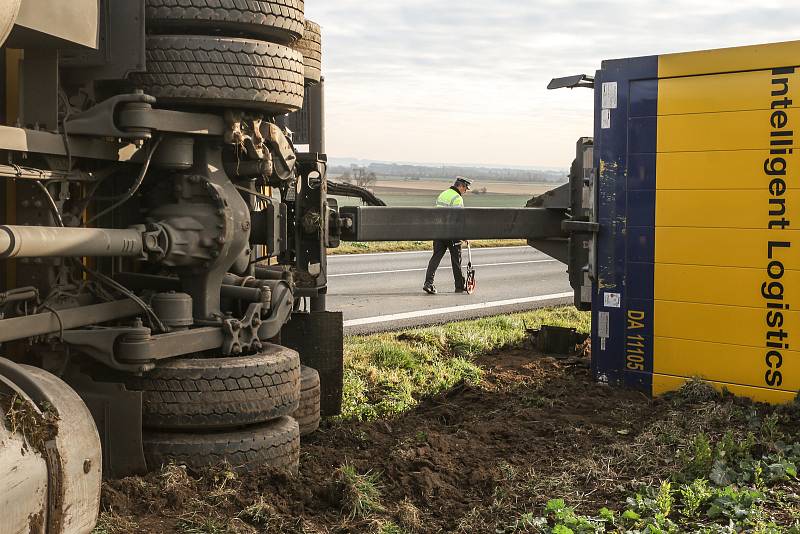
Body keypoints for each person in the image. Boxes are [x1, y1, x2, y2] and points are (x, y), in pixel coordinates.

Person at [423, 177, 472, 294]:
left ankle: (428, 283)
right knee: (456, 260)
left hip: (439, 232)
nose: (465, 191)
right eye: (465, 188)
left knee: (435, 258)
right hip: (452, 234)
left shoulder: (443, 194)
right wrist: (464, 235)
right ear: (460, 186)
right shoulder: (457, 198)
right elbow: (459, 220)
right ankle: (459, 286)